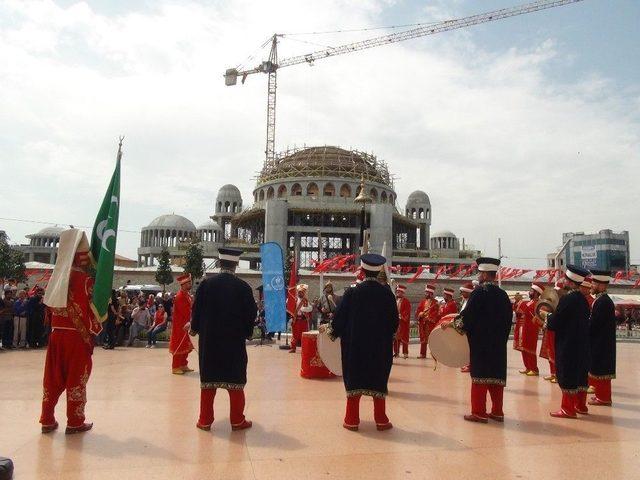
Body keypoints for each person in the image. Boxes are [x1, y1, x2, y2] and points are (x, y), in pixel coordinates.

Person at [326, 253, 398, 431]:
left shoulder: (352, 293)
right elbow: (394, 323)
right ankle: (381, 419)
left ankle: (351, 419)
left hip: (355, 347)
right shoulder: (387, 294)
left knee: (355, 379)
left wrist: (331, 331)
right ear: (379, 270)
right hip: (379, 348)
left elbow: (339, 319)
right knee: (378, 379)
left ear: (363, 270)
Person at [40, 228, 102, 434]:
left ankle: (47, 420)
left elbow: (49, 310)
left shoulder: (54, 279)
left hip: (56, 334)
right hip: (76, 337)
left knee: (52, 377)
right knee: (77, 378)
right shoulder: (84, 280)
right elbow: (90, 311)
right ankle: (75, 422)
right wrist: (95, 329)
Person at [190, 247, 257, 431]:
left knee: (208, 383)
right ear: (236, 264)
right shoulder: (243, 288)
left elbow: (197, 309)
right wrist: (247, 332)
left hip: (210, 342)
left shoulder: (206, 285)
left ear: (219, 263)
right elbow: (251, 313)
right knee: (235, 382)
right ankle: (237, 420)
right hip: (233, 344)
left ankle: (204, 421)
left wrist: (195, 328)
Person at [442, 257, 512, 423]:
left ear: (486, 275)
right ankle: (497, 412)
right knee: (496, 377)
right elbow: (509, 320)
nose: (478, 275)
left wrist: (450, 324)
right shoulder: (503, 295)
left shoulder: (479, 293)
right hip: (498, 344)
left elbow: (467, 317)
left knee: (480, 377)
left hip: (481, 343)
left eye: (480, 273)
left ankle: (479, 412)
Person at [540, 265, 591, 419]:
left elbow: (558, 320)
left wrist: (546, 316)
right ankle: (581, 405)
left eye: (566, 279)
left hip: (568, 344)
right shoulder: (582, 299)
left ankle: (568, 408)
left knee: (567, 373)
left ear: (570, 281)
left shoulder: (568, 299)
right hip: (581, 343)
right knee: (580, 374)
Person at [588, 270, 616, 406]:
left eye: (594, 283)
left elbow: (595, 323)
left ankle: (604, 398)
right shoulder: (601, 300)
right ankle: (600, 395)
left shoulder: (603, 302)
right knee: (598, 367)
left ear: (602, 285)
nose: (591, 285)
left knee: (602, 368)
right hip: (600, 341)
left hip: (602, 342)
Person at [514, 283, 544, 376]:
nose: (529, 292)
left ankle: (534, 369)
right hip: (524, 327)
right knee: (524, 348)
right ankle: (527, 367)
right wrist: (517, 302)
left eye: (531, 291)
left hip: (531, 328)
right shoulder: (529, 302)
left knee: (530, 348)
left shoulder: (538, 303)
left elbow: (532, 313)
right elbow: (517, 310)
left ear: (536, 293)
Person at [539, 280, 565, 383]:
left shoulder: (563, 303)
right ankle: (553, 373)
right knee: (550, 351)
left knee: (554, 352)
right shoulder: (553, 302)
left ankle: (557, 375)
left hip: (556, 330)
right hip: (550, 329)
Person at [169, 274, 194, 374]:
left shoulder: (186, 295)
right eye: (188, 283)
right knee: (179, 345)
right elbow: (186, 311)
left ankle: (183, 364)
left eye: (190, 282)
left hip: (186, 324)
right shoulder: (180, 296)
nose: (190, 284)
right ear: (183, 285)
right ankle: (175, 367)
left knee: (186, 346)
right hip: (181, 326)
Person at [415, 284, 439, 359]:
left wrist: (428, 317)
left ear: (430, 294)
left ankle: (435, 354)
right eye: (425, 292)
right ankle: (423, 354)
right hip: (423, 323)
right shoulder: (422, 302)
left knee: (433, 339)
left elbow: (436, 313)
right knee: (423, 339)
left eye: (426, 293)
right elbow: (418, 310)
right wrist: (420, 314)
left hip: (430, 324)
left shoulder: (435, 303)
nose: (425, 294)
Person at [289, 284, 312, 353]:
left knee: (303, 335)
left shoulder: (306, 301)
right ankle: (293, 348)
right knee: (294, 334)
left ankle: (304, 349)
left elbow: (310, 308)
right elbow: (291, 308)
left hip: (303, 320)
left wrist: (304, 309)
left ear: (304, 293)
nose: (300, 293)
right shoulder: (295, 300)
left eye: (302, 292)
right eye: (299, 292)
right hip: (296, 320)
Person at [459, 282, 474, 373]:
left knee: (470, 348)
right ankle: (468, 364)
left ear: (469, 293)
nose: (462, 294)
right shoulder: (465, 301)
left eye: (464, 292)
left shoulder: (470, 302)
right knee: (467, 347)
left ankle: (470, 365)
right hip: (465, 328)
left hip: (470, 328)